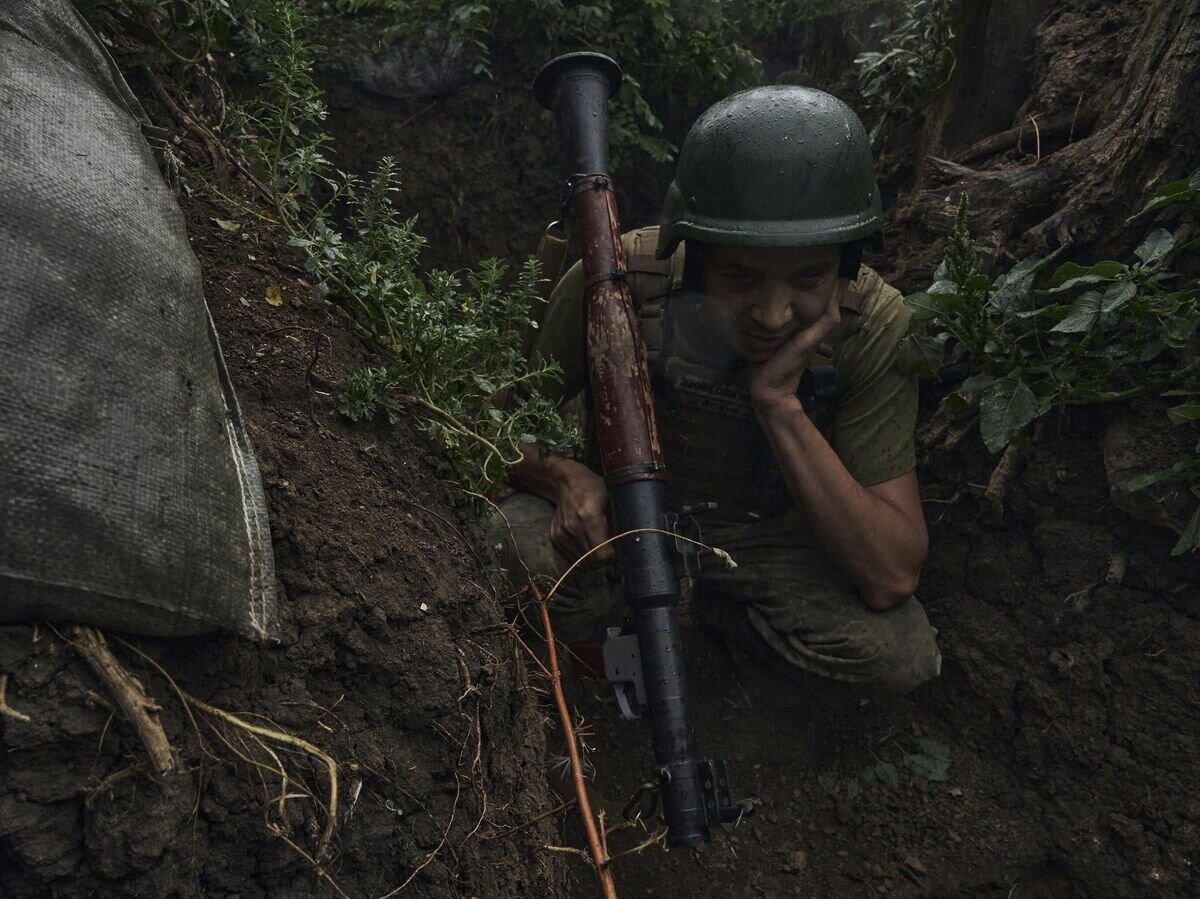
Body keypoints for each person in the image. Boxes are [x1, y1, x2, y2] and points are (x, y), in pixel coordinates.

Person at [494, 85, 941, 696]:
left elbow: (892, 574)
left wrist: (780, 405)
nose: (775, 315)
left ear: (846, 262)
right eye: (741, 277)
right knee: (503, 547)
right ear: (697, 259)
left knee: (898, 654)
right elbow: (491, 427)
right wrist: (564, 477)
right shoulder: (616, 282)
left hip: (765, 542)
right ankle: (580, 669)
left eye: (808, 276)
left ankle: (729, 630)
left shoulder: (876, 326)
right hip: (620, 521)